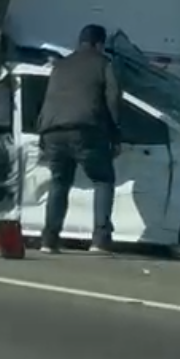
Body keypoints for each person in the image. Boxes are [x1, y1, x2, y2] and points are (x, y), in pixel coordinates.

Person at [35, 24, 123, 255]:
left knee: (59, 183)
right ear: (99, 44)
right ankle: (100, 239)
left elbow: (48, 100)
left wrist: (42, 135)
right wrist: (115, 134)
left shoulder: (60, 66)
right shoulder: (104, 63)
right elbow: (113, 98)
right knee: (102, 180)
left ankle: (49, 240)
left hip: (52, 130)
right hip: (85, 129)